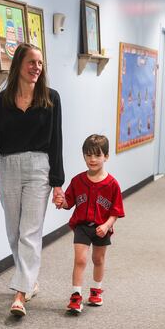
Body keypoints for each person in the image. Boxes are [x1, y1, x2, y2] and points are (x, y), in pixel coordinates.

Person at [0, 43, 64, 317]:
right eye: (32, 62)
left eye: (40, 63)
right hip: (9, 166)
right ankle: (29, 282)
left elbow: (56, 144)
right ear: (18, 65)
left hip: (39, 168)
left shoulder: (51, 99)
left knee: (30, 231)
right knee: (14, 232)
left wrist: (57, 182)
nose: (37, 68)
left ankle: (20, 295)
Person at [54, 134, 125, 314]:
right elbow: (68, 203)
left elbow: (116, 211)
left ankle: (96, 290)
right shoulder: (78, 181)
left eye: (97, 155)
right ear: (84, 156)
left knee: (98, 259)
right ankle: (76, 296)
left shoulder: (112, 184)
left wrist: (107, 225)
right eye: (88, 155)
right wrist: (60, 201)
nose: (92, 159)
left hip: (102, 228)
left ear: (106, 157)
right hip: (82, 226)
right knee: (80, 259)